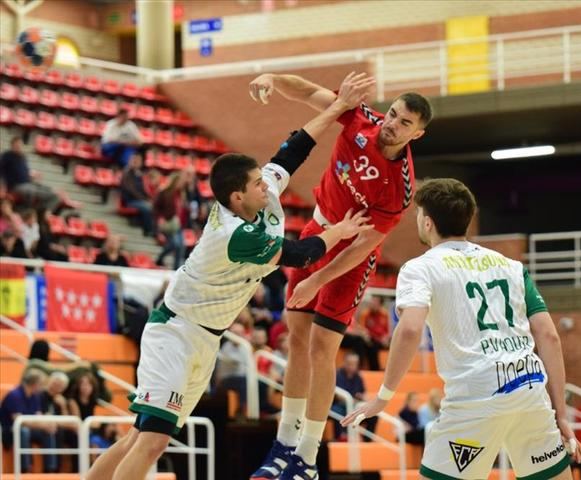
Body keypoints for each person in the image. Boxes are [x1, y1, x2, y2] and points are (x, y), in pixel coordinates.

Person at [84, 72, 375, 480]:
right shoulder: (234, 235)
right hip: (177, 333)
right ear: (238, 197)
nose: (268, 185)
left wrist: (338, 107)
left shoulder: (257, 196)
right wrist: (339, 233)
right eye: (259, 183)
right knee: (154, 440)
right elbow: (299, 254)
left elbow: (294, 149)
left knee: (141, 434)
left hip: (206, 336)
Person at [248, 72, 432, 480]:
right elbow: (310, 93)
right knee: (294, 337)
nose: (393, 124)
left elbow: (365, 246)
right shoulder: (361, 118)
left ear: (416, 135)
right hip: (317, 229)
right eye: (395, 114)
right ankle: (283, 444)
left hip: (351, 255)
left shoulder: (399, 188)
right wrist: (274, 79)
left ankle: (308, 456)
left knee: (320, 347)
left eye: (404, 123)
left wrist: (317, 278)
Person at [342, 179, 581, 480]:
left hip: (475, 396)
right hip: (529, 389)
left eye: (419, 214)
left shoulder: (420, 268)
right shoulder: (511, 266)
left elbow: (408, 331)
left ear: (428, 222)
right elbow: (549, 336)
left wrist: (384, 396)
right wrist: (560, 413)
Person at [0, 369, 58, 473]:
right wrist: (41, 425)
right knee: (23, 431)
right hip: (10, 431)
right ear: (35, 383)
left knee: (48, 432)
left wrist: (46, 425)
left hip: (30, 429)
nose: (43, 387)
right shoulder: (15, 395)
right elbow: (18, 420)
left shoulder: (35, 396)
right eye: (41, 384)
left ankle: (50, 468)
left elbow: (38, 416)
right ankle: (24, 468)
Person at [0, 136, 68, 212]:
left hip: (28, 183)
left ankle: (43, 210)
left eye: (20, 145)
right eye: (17, 145)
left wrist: (32, 174)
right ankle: (33, 210)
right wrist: (2, 186)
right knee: (30, 191)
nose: (19, 147)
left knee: (52, 194)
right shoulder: (6, 156)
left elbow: (24, 172)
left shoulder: (22, 157)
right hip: (16, 186)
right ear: (12, 145)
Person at [330, 352, 377, 441]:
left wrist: (363, 398)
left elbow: (362, 393)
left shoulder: (358, 377)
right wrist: (354, 400)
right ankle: (340, 437)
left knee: (373, 414)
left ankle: (368, 440)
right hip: (339, 405)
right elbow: (339, 396)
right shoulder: (337, 374)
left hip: (354, 404)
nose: (352, 366)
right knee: (337, 411)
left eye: (355, 364)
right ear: (344, 362)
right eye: (350, 363)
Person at [120, 153, 155, 237]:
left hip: (140, 200)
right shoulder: (127, 173)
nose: (136, 162)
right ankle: (148, 230)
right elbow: (131, 191)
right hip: (130, 201)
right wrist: (144, 199)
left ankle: (152, 229)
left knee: (154, 206)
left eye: (138, 161)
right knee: (147, 207)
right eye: (135, 160)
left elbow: (145, 190)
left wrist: (148, 198)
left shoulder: (140, 175)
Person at [357, 295, 391, 370]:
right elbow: (361, 328)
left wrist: (386, 338)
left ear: (380, 304)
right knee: (371, 346)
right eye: (372, 302)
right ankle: (375, 369)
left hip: (382, 340)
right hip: (371, 339)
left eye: (375, 302)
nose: (372, 304)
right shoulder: (365, 314)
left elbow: (388, 331)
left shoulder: (385, 314)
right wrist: (366, 335)